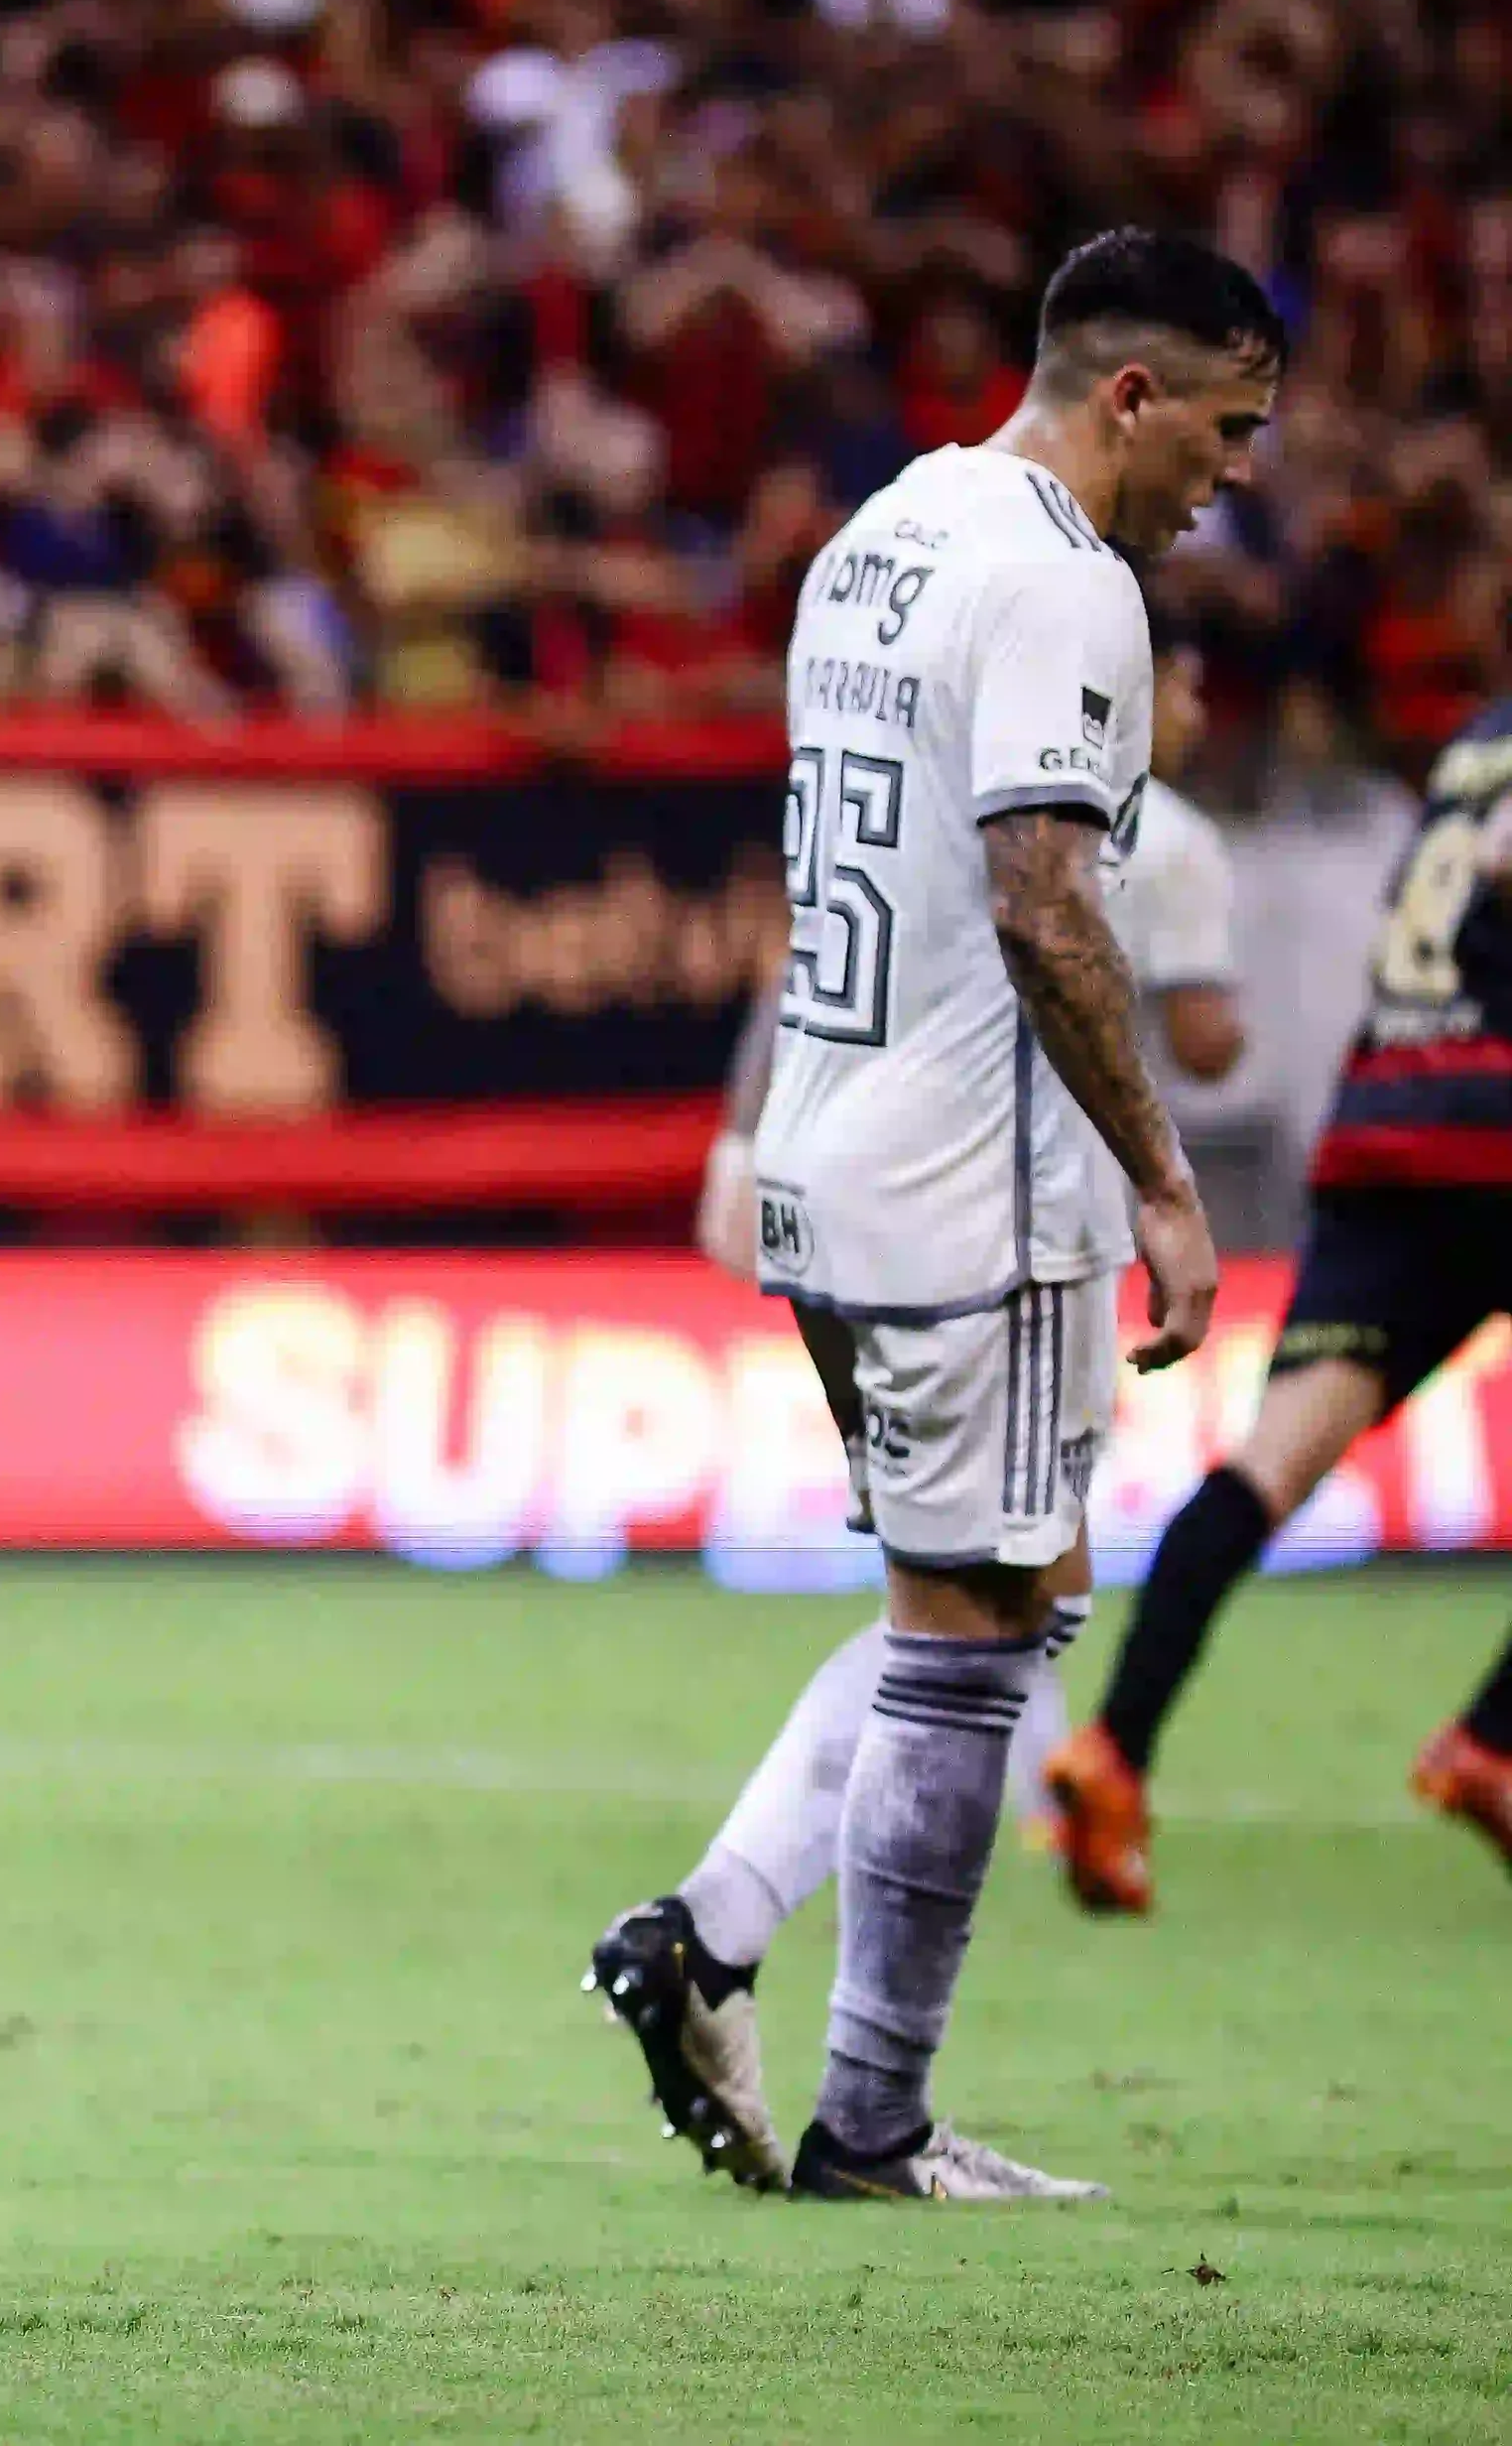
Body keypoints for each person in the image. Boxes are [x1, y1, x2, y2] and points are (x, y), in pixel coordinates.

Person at [588, 229, 1279, 2202]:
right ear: (1128, 394)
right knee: (976, 1632)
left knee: (1005, 1586)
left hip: (835, 1143)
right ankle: (861, 2105)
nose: (1228, 477)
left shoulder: (882, 531)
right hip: (977, 1184)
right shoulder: (1066, 581)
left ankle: (712, 1936)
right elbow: (1046, 899)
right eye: (1223, 430)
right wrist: (1163, 1178)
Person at [1043, 683, 1512, 1911]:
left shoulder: (1477, 736)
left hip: (1394, 1120)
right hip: (1499, 1122)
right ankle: (1494, 1741)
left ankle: (1117, 1749)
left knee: (1273, 1461)